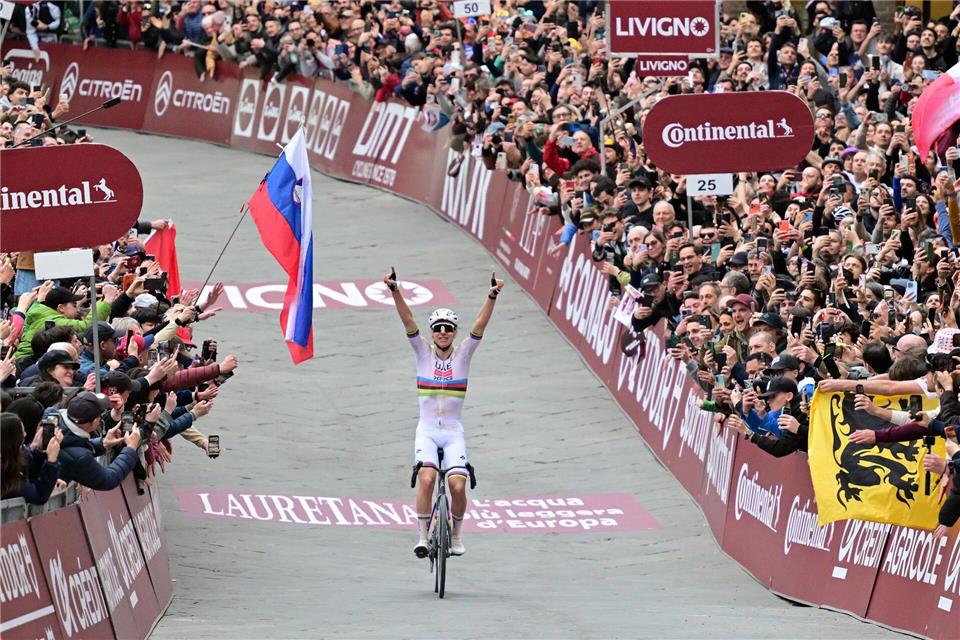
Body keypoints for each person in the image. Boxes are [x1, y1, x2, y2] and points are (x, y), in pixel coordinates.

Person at [384, 267, 504, 558]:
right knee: (426, 479)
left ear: (454, 333)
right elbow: (408, 320)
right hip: (427, 430)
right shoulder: (422, 352)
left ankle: (458, 534)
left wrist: (492, 295)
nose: (441, 333)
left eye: (447, 328)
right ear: (432, 332)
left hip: (452, 432)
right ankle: (423, 536)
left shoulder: (464, 354)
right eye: (437, 328)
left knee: (458, 486)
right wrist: (395, 291)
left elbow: (480, 325)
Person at [55, 391, 141, 491]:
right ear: (95, 421)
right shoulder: (81, 458)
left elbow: (70, 445)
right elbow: (108, 479)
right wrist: (130, 449)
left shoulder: (52, 415)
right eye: (102, 414)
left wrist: (103, 443)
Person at [0, 412, 62, 504]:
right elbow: (39, 496)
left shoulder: (7, 461)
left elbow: (25, 467)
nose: (25, 434)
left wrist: (36, 450)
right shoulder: (8, 480)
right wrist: (51, 461)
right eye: (22, 433)